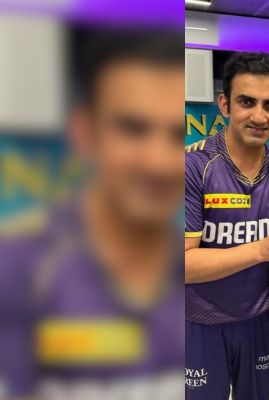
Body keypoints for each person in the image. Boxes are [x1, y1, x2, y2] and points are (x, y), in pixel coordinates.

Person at [0, 29, 184, 399]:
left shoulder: (189, 262)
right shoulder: (19, 269)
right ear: (85, 133)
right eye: (133, 129)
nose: (159, 162)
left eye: (178, 135)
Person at [184, 52, 269, 400]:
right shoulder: (193, 166)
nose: (259, 116)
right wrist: (261, 249)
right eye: (246, 102)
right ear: (224, 105)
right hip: (199, 323)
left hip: (261, 322)